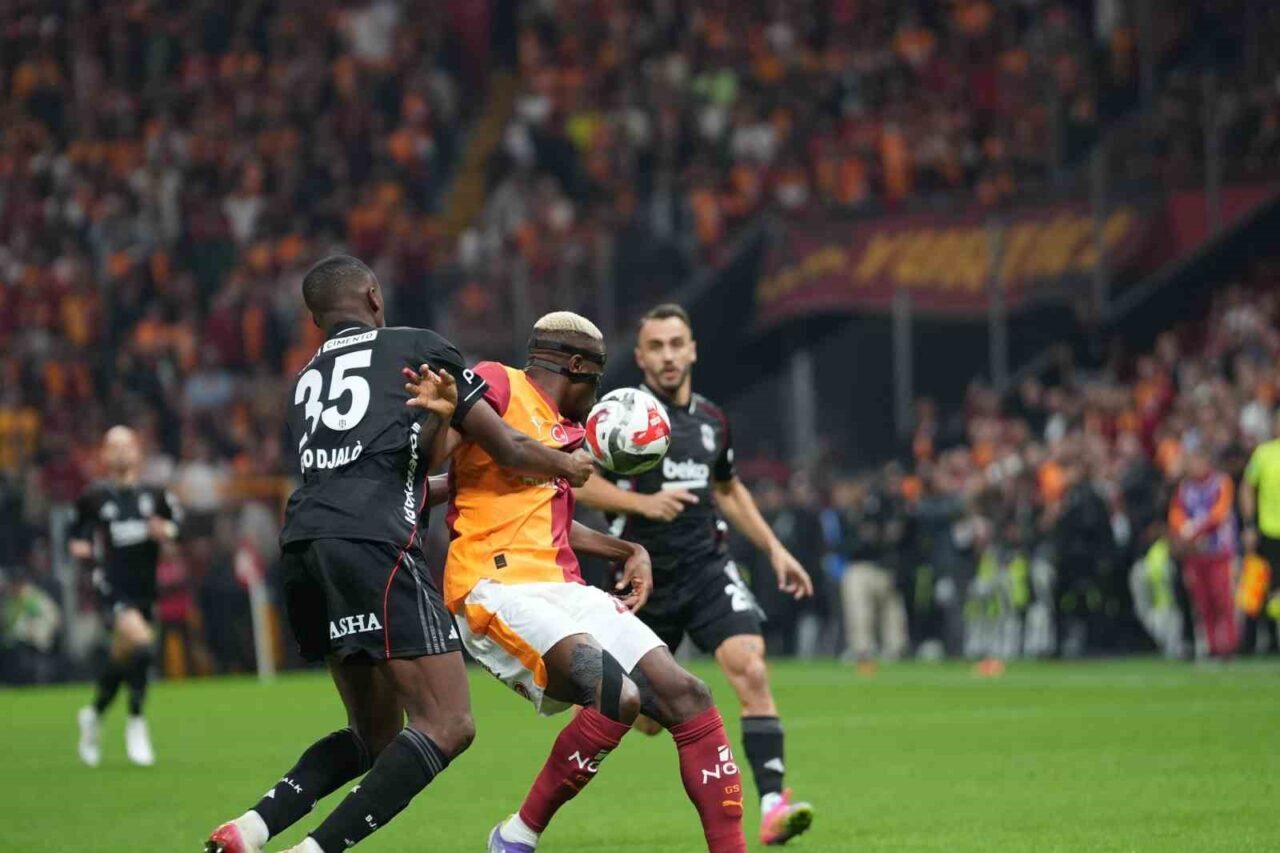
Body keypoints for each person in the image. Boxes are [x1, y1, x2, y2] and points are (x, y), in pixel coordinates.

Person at [206, 255, 593, 853]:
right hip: (374, 546)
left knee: (374, 733)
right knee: (448, 723)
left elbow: (389, 474)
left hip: (306, 548)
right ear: (373, 296)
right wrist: (569, 465)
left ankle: (250, 828)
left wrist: (454, 478)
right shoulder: (417, 347)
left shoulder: (304, 381)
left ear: (316, 318)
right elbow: (509, 447)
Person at [418, 311, 746, 853]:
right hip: (493, 586)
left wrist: (629, 549)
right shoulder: (499, 383)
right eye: (595, 380)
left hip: (563, 588)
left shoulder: (569, 434)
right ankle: (518, 837)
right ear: (576, 366)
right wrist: (440, 417)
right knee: (617, 695)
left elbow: (553, 521)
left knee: (689, 694)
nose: (596, 396)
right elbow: (437, 460)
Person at [574, 303, 815, 846]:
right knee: (645, 717)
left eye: (676, 344)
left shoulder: (711, 420)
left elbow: (728, 489)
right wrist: (643, 502)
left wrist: (775, 548)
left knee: (750, 667)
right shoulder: (621, 415)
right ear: (640, 357)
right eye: (656, 346)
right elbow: (578, 480)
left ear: (693, 350)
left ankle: (773, 805)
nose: (668, 356)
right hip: (643, 580)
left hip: (707, 568)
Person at [71, 425, 182, 767]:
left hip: (144, 590)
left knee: (124, 656)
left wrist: (166, 531)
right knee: (143, 643)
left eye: (126, 445)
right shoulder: (94, 497)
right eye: (113, 446)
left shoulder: (154, 495)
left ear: (137, 452)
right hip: (110, 587)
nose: (120, 451)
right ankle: (136, 721)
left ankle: (93, 714)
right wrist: (80, 548)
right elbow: (75, 535)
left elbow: (178, 528)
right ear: (104, 455)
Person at [1169, 445, 1238, 660]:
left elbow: (1220, 512)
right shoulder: (1184, 488)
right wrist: (1184, 530)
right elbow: (1176, 513)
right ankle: (1211, 645)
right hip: (1195, 552)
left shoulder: (1221, 482)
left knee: (1222, 598)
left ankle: (1228, 644)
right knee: (1203, 601)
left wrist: (1196, 530)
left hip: (1218, 550)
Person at [1239, 410, 1280, 654]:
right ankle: (1256, 641)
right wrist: (1249, 524)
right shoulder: (1263, 454)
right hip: (1268, 530)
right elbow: (1247, 488)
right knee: (1260, 587)